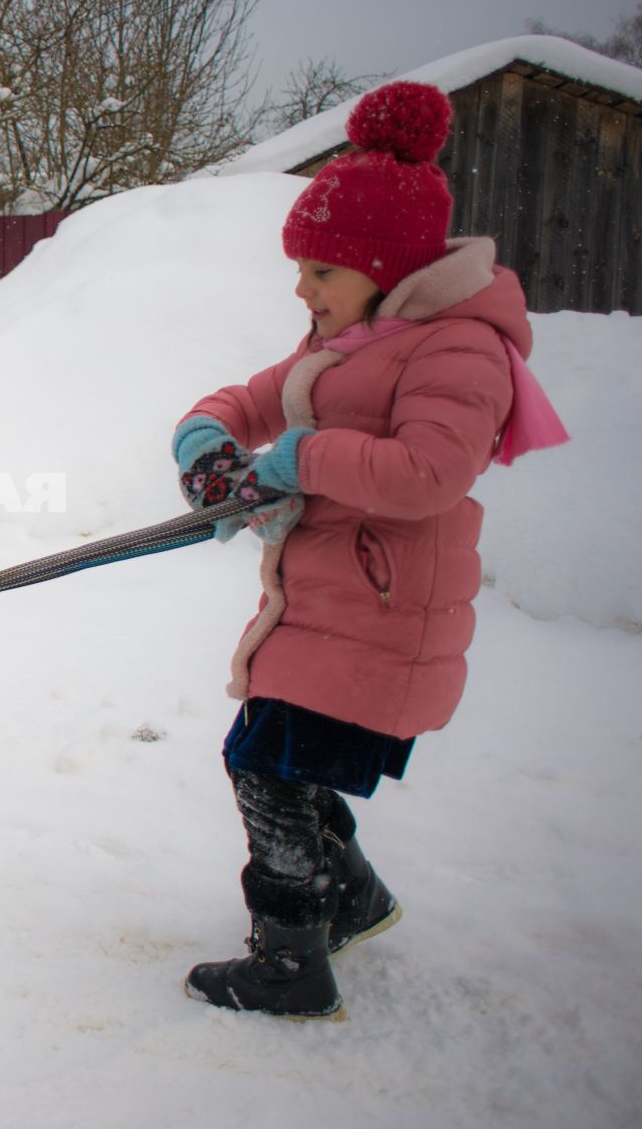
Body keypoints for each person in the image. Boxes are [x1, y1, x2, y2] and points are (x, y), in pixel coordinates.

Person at [170, 82, 569, 1019]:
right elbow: (252, 398)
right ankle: (351, 896)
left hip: (384, 616)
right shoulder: (353, 340)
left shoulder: (457, 349)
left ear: (384, 271)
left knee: (264, 764)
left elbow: (431, 471)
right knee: (279, 759)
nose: (301, 292)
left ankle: (291, 961)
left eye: (319, 273)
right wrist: (206, 440)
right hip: (327, 606)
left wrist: (297, 458)